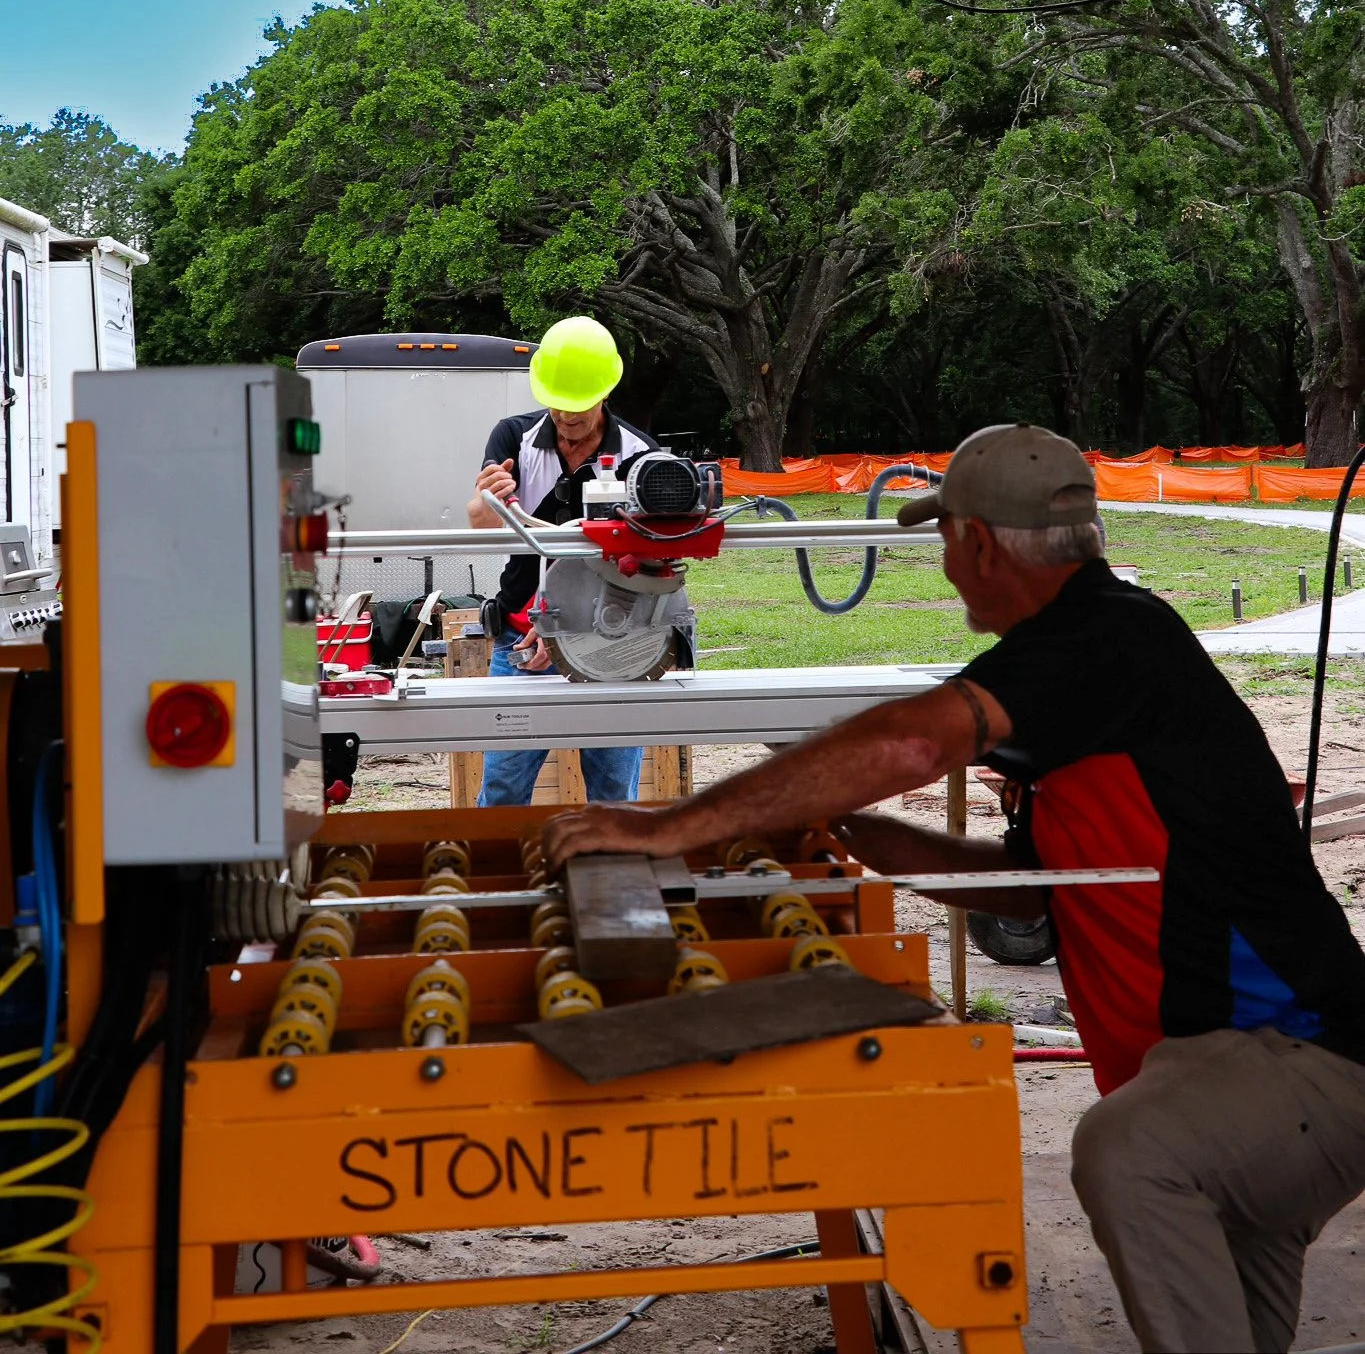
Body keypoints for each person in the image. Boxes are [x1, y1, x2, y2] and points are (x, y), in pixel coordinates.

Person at [543, 422, 1365, 1354]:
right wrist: (870, 836)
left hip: (1297, 1055)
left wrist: (668, 826)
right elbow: (1034, 892)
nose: (943, 566)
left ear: (976, 542)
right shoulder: (1094, 663)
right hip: (1223, 1064)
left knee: (1129, 1155)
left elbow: (913, 740)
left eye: (943, 541)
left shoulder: (1102, 636)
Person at [468, 315, 656, 806]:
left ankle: (610, 880)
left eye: (577, 408)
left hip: (608, 641)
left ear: (605, 392)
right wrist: (487, 498)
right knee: (504, 790)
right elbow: (478, 523)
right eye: (556, 405)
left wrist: (570, 628)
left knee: (613, 796)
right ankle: (501, 880)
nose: (566, 418)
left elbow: (648, 569)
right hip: (520, 641)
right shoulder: (513, 437)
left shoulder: (641, 458)